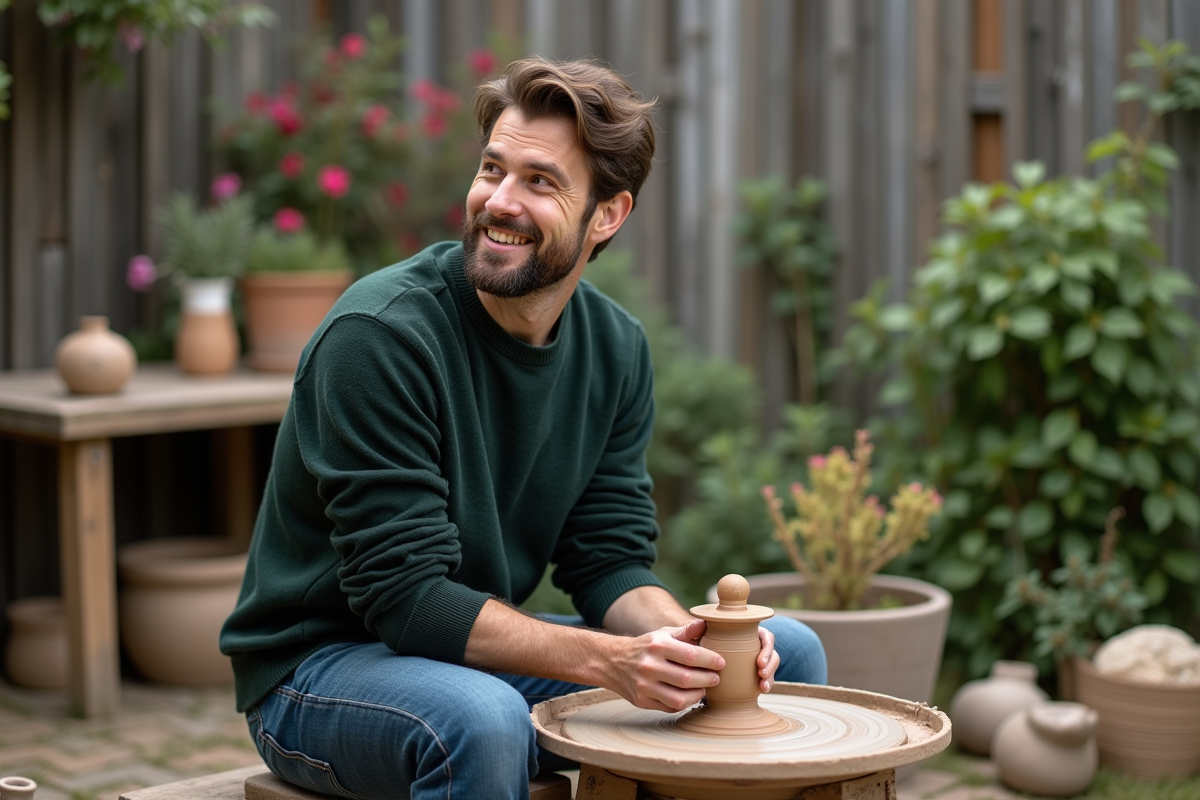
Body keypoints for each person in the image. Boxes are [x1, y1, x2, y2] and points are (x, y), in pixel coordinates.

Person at [219, 55, 827, 800]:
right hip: (322, 667)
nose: (499, 202)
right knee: (481, 721)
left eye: (540, 181)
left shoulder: (615, 348)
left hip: (467, 648)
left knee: (785, 654)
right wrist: (609, 663)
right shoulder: (379, 337)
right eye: (491, 170)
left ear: (608, 214)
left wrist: (686, 643)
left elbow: (606, 559)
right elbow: (406, 599)